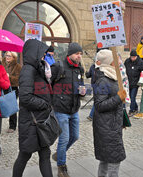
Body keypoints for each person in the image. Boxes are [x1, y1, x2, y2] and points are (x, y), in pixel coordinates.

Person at [12, 39, 53, 177]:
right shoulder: (28, 70)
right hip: (30, 122)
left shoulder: (37, 68)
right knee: (24, 155)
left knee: (45, 154)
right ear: (34, 53)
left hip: (39, 121)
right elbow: (25, 98)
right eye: (41, 53)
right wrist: (45, 104)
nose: (43, 56)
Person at [50, 42, 86, 177]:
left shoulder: (79, 69)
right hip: (61, 109)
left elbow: (80, 86)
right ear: (70, 54)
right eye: (77, 53)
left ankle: (60, 153)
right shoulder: (59, 66)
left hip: (74, 109)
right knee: (64, 138)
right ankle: (61, 166)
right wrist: (52, 101)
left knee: (75, 136)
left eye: (80, 54)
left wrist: (82, 92)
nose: (79, 56)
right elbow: (48, 84)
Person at [92, 49, 127, 177]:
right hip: (107, 128)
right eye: (116, 58)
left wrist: (121, 120)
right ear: (110, 62)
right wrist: (118, 97)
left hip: (111, 125)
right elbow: (99, 105)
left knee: (106, 160)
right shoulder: (102, 80)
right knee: (113, 161)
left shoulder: (112, 76)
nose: (119, 60)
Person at [2, 51, 22, 133]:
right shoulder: (1, 65)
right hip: (2, 87)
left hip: (13, 89)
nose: (7, 57)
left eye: (9, 56)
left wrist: (9, 77)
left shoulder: (18, 67)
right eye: (6, 55)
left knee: (11, 107)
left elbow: (18, 80)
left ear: (14, 57)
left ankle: (12, 126)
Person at [124, 50, 143, 116]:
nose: (132, 58)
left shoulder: (140, 62)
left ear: (136, 56)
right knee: (130, 97)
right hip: (128, 82)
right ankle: (135, 108)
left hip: (136, 83)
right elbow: (123, 68)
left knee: (133, 97)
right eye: (131, 57)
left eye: (134, 57)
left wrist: (142, 81)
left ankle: (131, 110)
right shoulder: (127, 61)